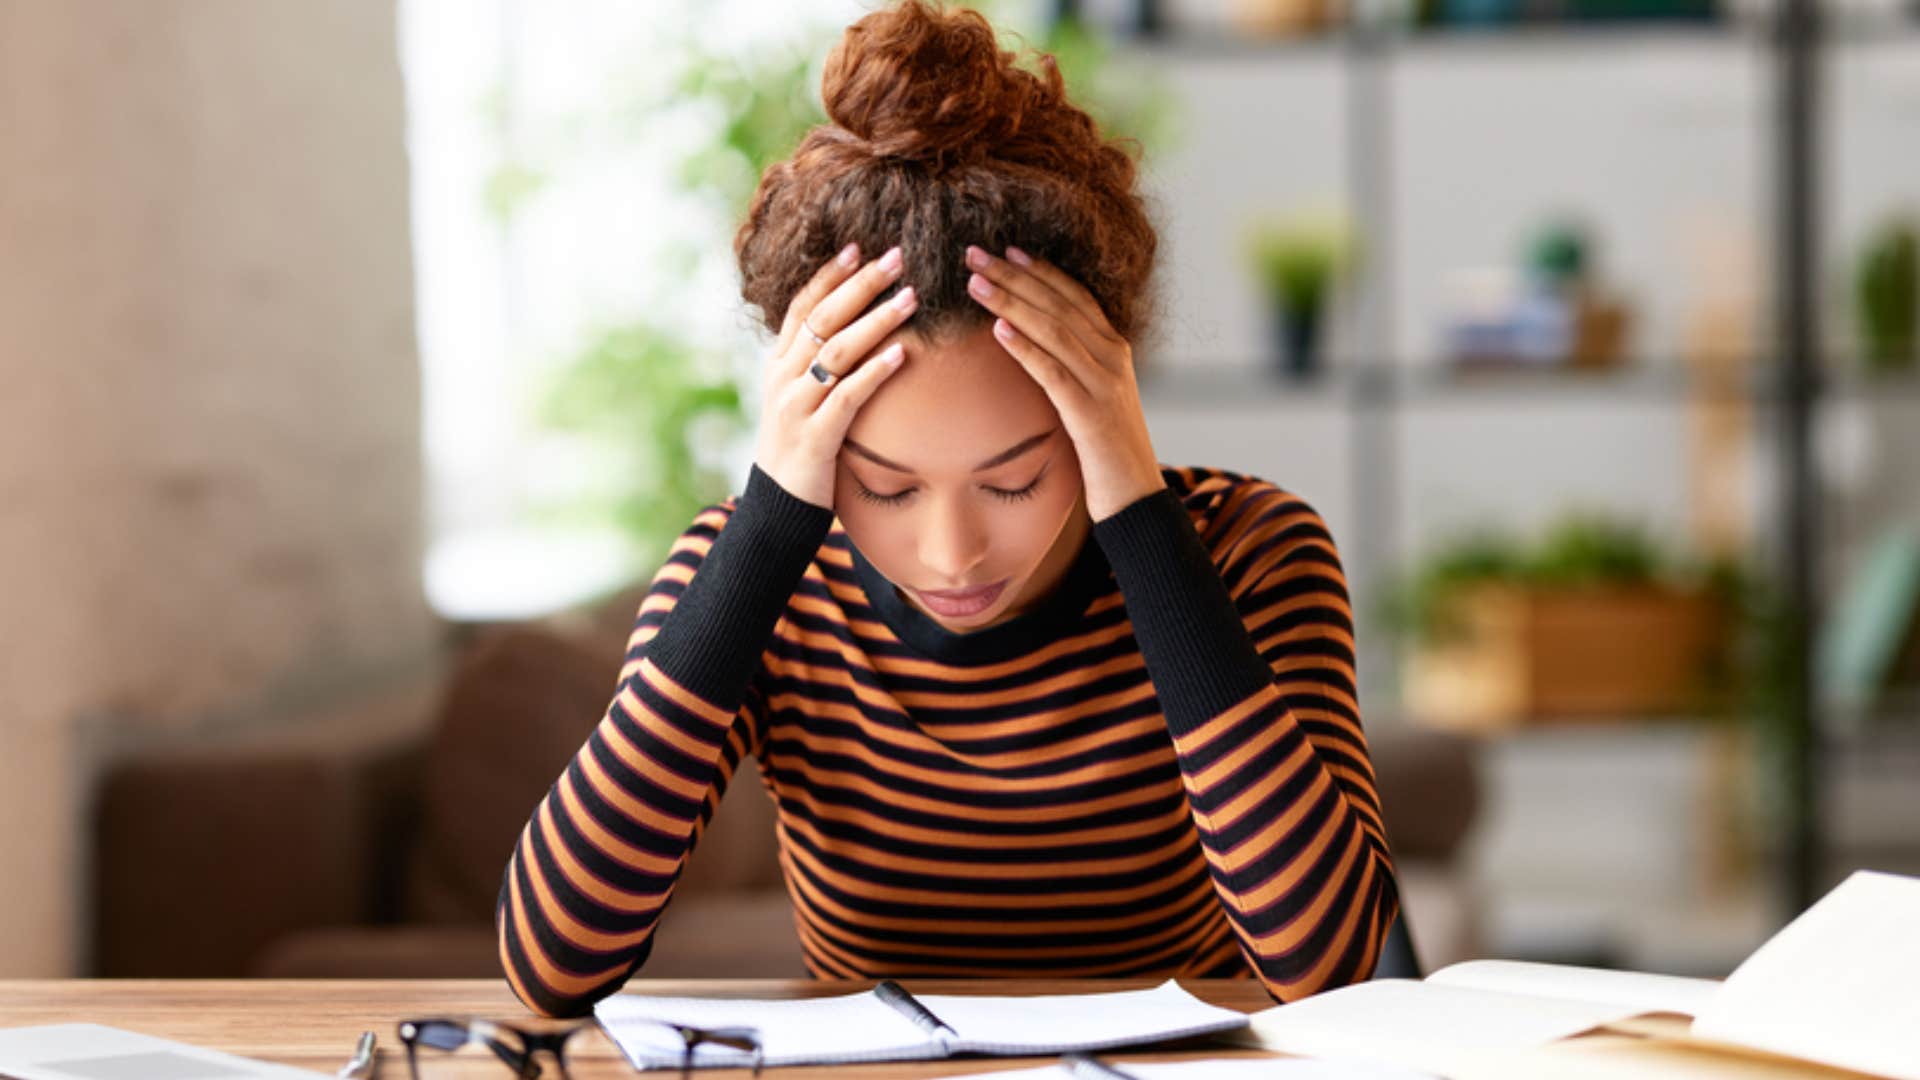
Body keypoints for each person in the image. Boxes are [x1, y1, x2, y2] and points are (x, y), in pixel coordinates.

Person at [497, 0, 1398, 1019]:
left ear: (1107, 404)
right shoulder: (756, 579)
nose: (953, 554)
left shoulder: (1250, 554)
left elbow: (1332, 973)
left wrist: (1139, 518)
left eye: (1014, 480)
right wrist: (766, 527)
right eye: (885, 486)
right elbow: (553, 965)